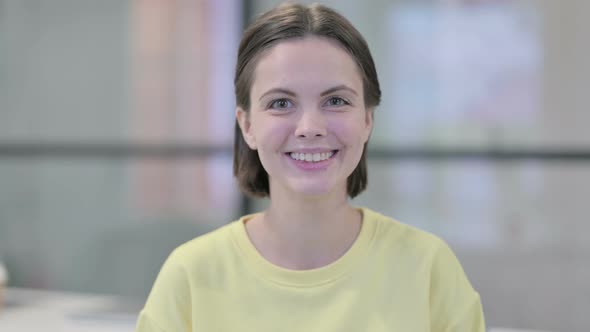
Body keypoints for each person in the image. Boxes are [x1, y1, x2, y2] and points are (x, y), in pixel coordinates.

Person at [136, 3, 485, 331]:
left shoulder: (427, 268)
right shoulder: (191, 275)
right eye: (281, 102)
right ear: (247, 126)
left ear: (366, 119)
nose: (309, 126)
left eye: (336, 101)